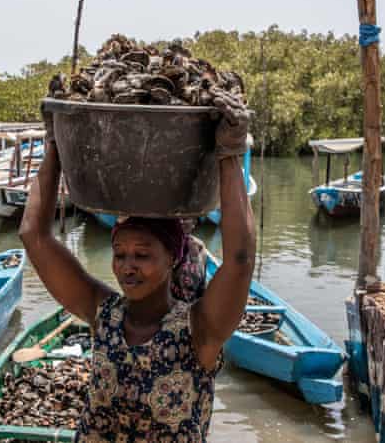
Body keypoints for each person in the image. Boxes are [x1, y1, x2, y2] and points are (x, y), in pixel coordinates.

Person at [19, 87, 255, 442]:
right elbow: (33, 236)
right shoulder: (105, 315)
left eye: (142, 255)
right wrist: (56, 143)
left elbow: (239, 259)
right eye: (120, 254)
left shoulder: (198, 331)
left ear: (173, 259)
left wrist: (229, 151)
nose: (128, 266)